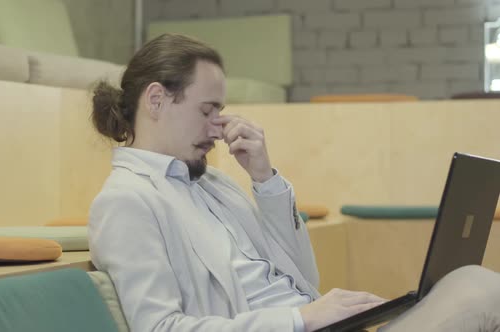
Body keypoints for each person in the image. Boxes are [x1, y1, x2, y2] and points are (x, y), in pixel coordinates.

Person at [88, 33, 500, 332]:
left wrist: (264, 178)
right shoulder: (127, 200)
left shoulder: (217, 184)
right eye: (207, 110)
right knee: (478, 288)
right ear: (157, 100)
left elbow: (305, 280)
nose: (218, 128)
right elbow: (161, 328)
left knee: (467, 285)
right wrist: (301, 318)